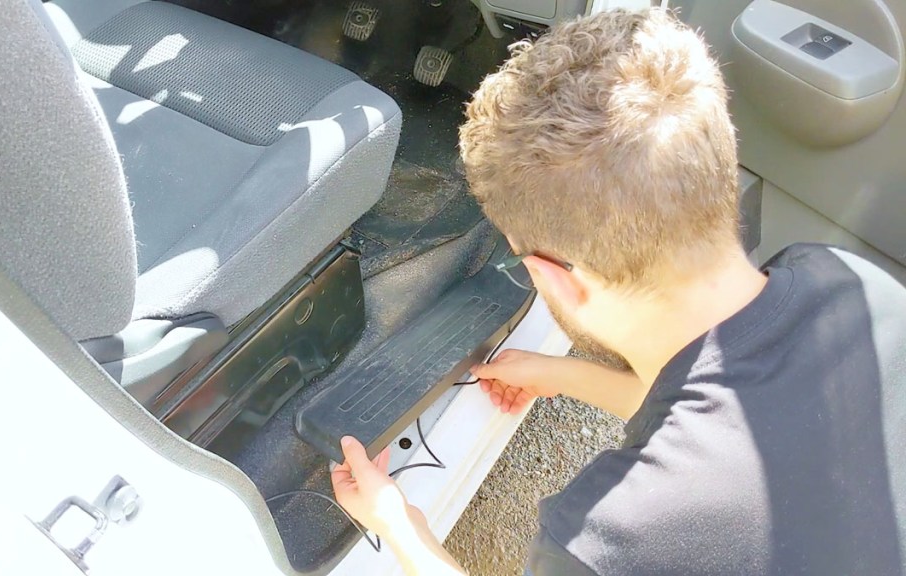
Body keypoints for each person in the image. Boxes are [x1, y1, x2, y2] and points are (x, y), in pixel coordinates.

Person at [330, 7, 906, 576]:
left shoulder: (608, 540)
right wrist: (560, 375)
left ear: (554, 278)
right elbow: (748, 412)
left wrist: (399, 523)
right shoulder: (854, 285)